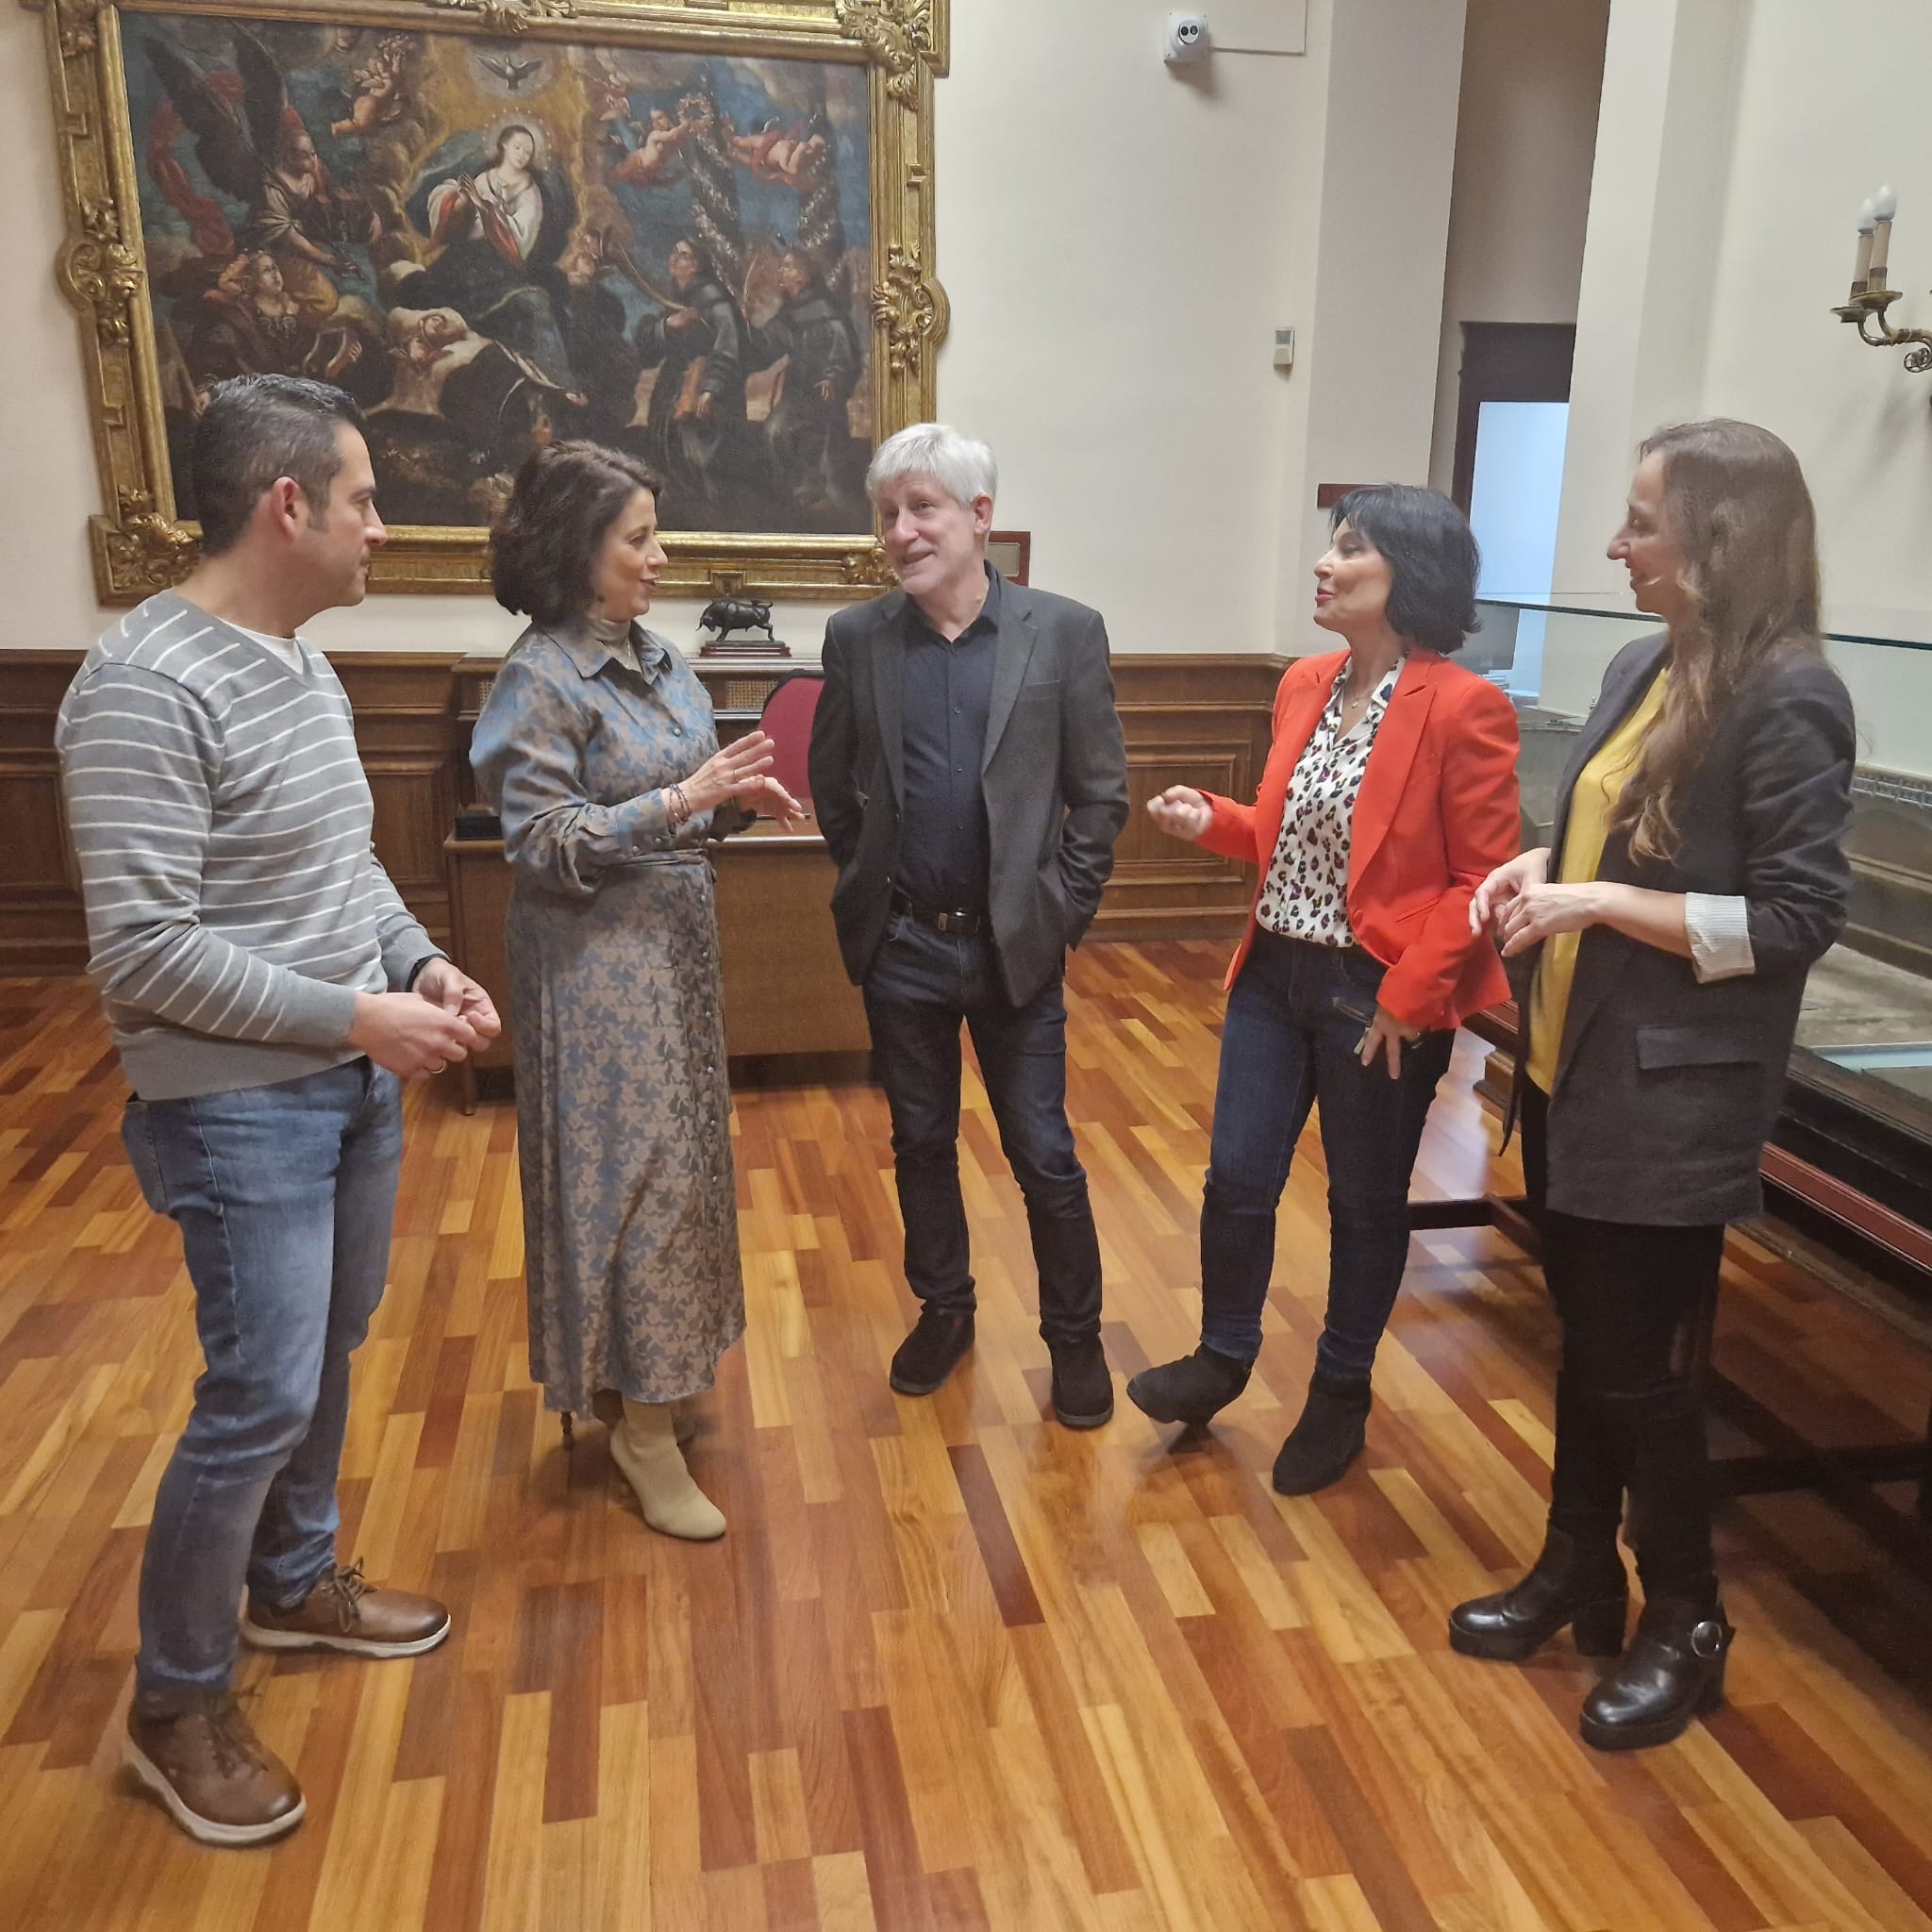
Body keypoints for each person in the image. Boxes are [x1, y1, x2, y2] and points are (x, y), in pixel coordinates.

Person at [56, 375, 500, 1847]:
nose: (386, 525)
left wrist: (418, 961)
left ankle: (294, 1584)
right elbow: (143, 954)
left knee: (326, 1351)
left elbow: (341, 871)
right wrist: (357, 1017)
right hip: (237, 1111)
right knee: (253, 1395)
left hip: (345, 1080)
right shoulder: (142, 686)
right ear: (287, 505)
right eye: (367, 498)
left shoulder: (299, 666)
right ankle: (176, 1704)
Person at [1448, 420, 1855, 1751]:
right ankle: (1579, 1569)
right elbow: (1603, 844)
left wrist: (1600, 900)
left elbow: (1795, 921)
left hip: (1673, 1095)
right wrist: (1534, 871)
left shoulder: (1790, 692)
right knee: (1595, 1352)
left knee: (1642, 1373)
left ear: (1720, 542)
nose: (1616, 547)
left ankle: (1689, 1614)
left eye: (1641, 524)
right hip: (1575, 1070)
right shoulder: (1643, 660)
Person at [1126, 486, 1521, 1493]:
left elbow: (1479, 877)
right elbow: (1282, 834)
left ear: (1409, 576)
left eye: (1349, 550)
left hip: (1373, 994)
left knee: (1361, 1201)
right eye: (1329, 546)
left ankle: (1340, 1389)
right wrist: (1208, 817)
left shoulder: (1463, 705)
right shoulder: (1305, 682)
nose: (1325, 563)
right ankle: (1221, 1356)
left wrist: (1408, 993)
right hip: (1273, 972)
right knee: (1236, 1176)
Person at [470, 442, 803, 1541]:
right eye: (638, 538)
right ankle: (642, 1431)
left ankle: (646, 1384)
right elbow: (538, 842)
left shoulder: (663, 662)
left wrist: (735, 804)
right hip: (591, 974)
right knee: (631, 1186)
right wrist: (679, 801)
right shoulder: (539, 676)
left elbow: (684, 803)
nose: (660, 557)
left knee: (682, 1174)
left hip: (674, 958)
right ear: (580, 552)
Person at [807, 423, 1130, 1427]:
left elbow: (1100, 794)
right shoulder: (857, 639)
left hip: (1015, 949)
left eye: (922, 509)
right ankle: (945, 1308)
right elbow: (834, 784)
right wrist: (869, 884)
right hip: (901, 945)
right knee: (919, 1140)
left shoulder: (1063, 632)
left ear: (978, 516)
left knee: (1042, 1151)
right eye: (888, 514)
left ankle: (1073, 1340)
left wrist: (1061, 908)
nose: (900, 532)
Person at [751, 246, 861, 524]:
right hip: (797, 394)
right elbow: (765, 347)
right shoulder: (789, 315)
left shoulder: (828, 312)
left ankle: (820, 496)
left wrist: (834, 376)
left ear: (802, 275)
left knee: (820, 442)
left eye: (788, 267)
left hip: (825, 397)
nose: (781, 272)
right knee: (775, 430)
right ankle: (793, 494)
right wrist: (748, 333)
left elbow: (844, 351)